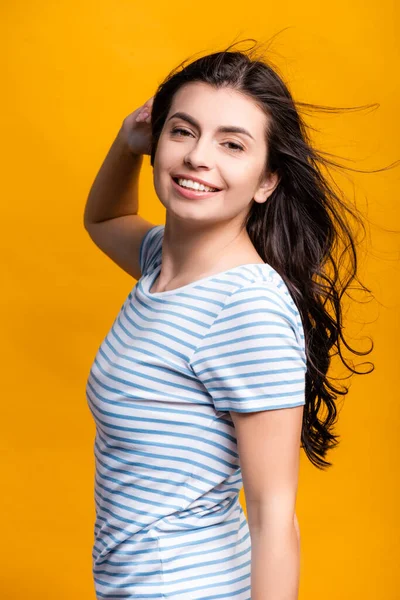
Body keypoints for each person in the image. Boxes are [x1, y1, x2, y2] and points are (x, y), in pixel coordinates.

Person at [83, 40, 373, 600]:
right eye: (182, 131)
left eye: (232, 144)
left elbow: (273, 518)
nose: (197, 156)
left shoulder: (245, 308)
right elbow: (104, 216)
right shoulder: (160, 265)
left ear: (266, 181)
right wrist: (126, 143)